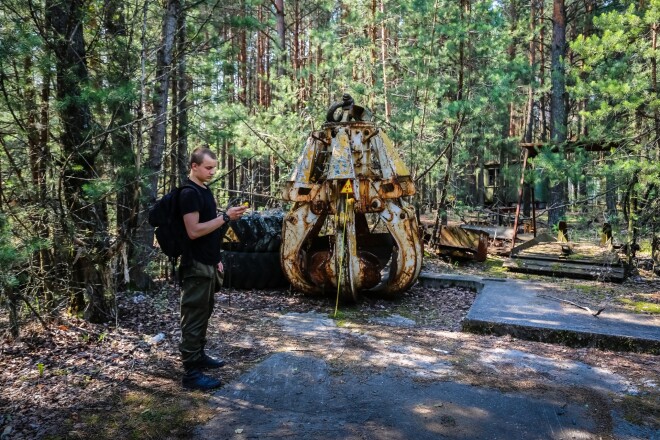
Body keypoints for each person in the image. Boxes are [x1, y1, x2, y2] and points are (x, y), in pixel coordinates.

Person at [178, 147, 248, 390]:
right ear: (194, 166)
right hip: (195, 265)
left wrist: (216, 256)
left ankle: (198, 357)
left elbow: (209, 232)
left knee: (204, 312)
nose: (211, 172)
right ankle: (190, 372)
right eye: (207, 167)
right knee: (194, 317)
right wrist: (226, 218)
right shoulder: (189, 193)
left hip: (207, 262)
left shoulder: (204, 190)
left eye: (213, 168)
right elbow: (194, 231)